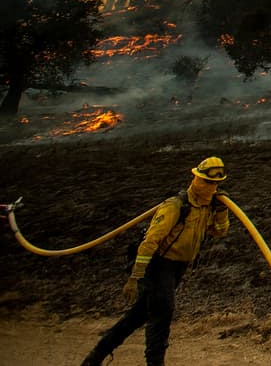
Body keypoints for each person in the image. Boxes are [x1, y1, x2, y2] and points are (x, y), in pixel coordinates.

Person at [80, 156, 232, 366]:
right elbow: (149, 242)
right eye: (207, 182)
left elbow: (220, 231)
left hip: (178, 267)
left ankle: (96, 356)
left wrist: (222, 211)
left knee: (139, 314)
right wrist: (135, 277)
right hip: (159, 265)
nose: (211, 187)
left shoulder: (208, 207)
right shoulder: (175, 206)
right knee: (162, 313)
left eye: (216, 183)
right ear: (195, 178)